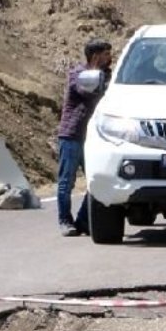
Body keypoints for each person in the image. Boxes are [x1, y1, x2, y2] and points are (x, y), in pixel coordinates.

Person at [55, 38, 112, 236]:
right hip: (72, 136)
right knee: (66, 182)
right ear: (95, 56)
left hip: (93, 139)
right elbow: (87, 91)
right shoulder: (77, 75)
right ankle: (65, 220)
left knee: (96, 181)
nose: (109, 58)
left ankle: (82, 220)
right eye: (105, 54)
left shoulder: (106, 76)